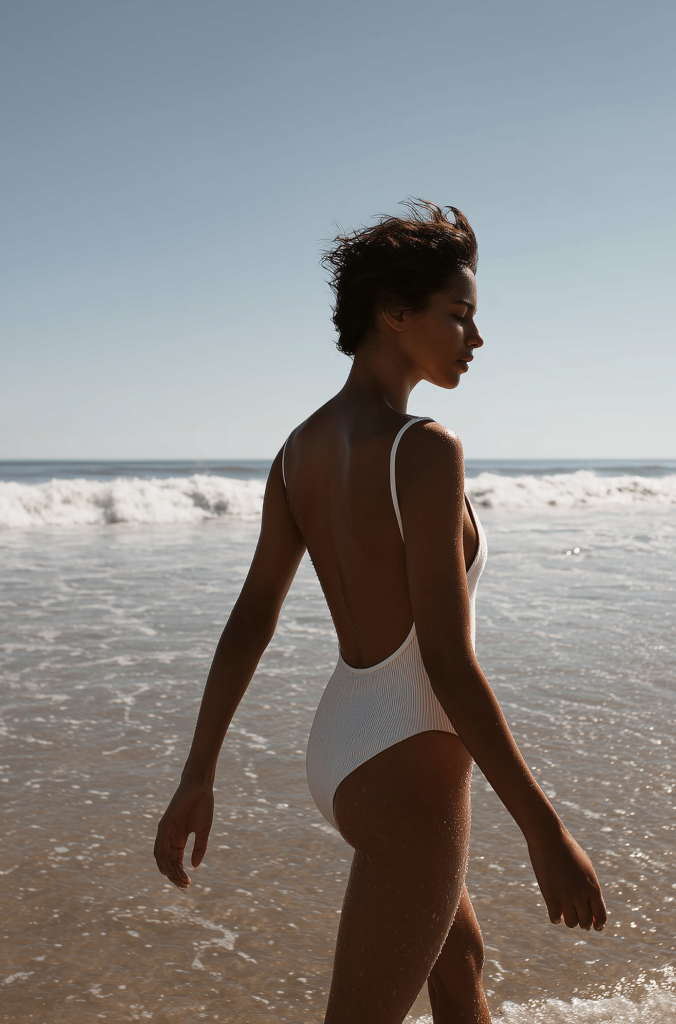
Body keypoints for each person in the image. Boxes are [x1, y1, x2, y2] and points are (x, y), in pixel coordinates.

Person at [154, 200, 607, 1023]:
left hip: (344, 748)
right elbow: (445, 659)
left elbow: (251, 616)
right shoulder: (425, 448)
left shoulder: (296, 451)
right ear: (394, 313)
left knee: (458, 962)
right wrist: (545, 830)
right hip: (409, 765)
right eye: (458, 315)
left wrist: (198, 772)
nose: (475, 338)